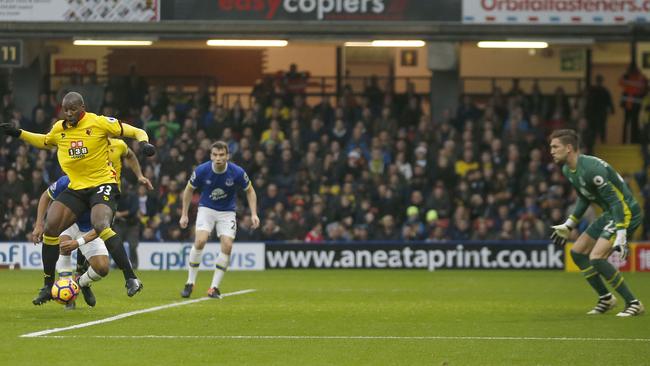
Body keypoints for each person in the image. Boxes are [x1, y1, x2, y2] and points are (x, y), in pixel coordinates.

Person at [0, 91, 155, 304]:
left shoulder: (99, 123)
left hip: (102, 184)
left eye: (73, 109)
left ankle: (131, 278)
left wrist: (145, 142)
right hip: (77, 186)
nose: (69, 113)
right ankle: (48, 285)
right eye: (66, 110)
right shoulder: (59, 129)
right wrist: (18, 133)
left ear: (82, 107)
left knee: (100, 223)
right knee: (51, 226)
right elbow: (43, 141)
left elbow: (135, 130)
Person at [549, 129, 644, 317]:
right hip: (610, 213)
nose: (551, 151)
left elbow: (618, 202)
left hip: (626, 212)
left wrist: (621, 234)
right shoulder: (568, 169)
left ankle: (634, 303)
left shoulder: (591, 169)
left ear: (569, 148)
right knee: (577, 252)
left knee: (597, 257)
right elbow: (584, 198)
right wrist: (569, 224)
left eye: (555, 146)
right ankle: (606, 298)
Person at [179, 141, 260, 298]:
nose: (218, 158)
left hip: (227, 212)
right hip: (206, 209)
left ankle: (214, 288)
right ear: (210, 156)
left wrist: (254, 213)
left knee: (228, 245)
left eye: (221, 155)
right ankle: (190, 283)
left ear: (227, 156)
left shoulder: (236, 172)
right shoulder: (202, 170)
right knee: (200, 241)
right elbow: (189, 190)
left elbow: (250, 191)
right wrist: (184, 213)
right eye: (215, 155)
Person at [35, 175, 111, 309]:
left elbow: (105, 225)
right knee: (64, 246)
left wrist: (79, 242)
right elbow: (45, 197)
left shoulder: (104, 186)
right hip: (68, 223)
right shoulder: (66, 180)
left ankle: (81, 283)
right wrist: (39, 224)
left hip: (90, 229)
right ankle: (68, 297)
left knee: (102, 269)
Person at [619, 63, 648, 143]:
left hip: (629, 103)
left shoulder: (627, 77)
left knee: (627, 122)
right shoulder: (641, 77)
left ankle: (626, 141)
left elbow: (621, 82)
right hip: (634, 103)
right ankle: (633, 140)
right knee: (633, 122)